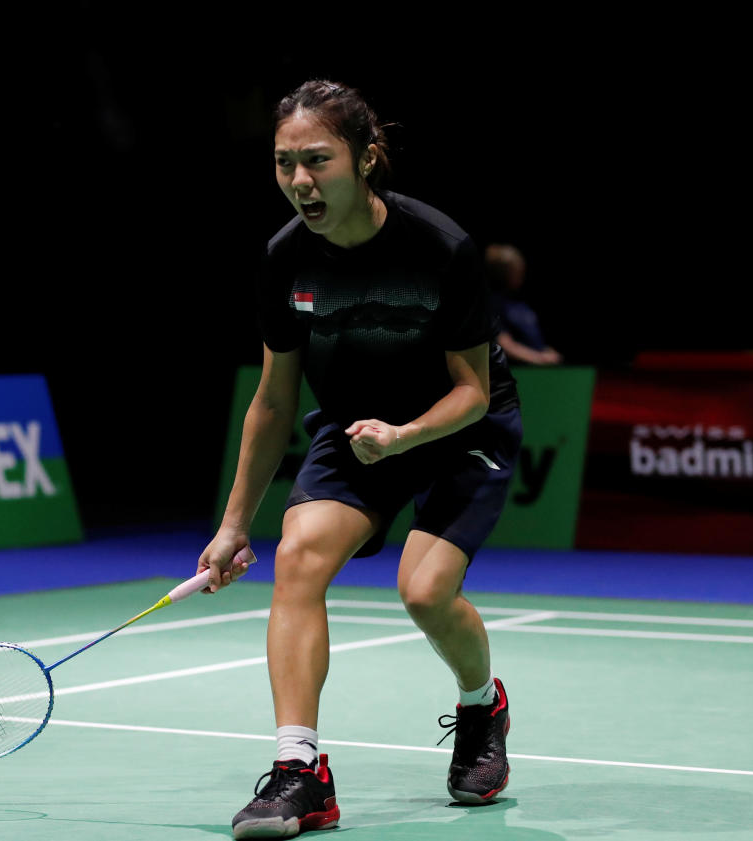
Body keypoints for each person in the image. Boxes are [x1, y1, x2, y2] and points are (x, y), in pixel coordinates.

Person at [198, 80, 523, 839]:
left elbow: (473, 389)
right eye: (284, 164)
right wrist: (234, 523)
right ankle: (299, 773)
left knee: (425, 591)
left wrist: (406, 436)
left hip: (454, 427)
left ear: (366, 159)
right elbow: (275, 400)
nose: (300, 182)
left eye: (317, 161)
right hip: (353, 428)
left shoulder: (440, 246)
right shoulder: (285, 260)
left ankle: (483, 707)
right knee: (299, 558)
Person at [484, 243, 561, 366]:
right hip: (517, 373)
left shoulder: (518, 300)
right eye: (517, 270)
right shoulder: (493, 303)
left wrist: (544, 350)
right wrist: (540, 358)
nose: (522, 274)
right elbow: (505, 344)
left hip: (538, 369)